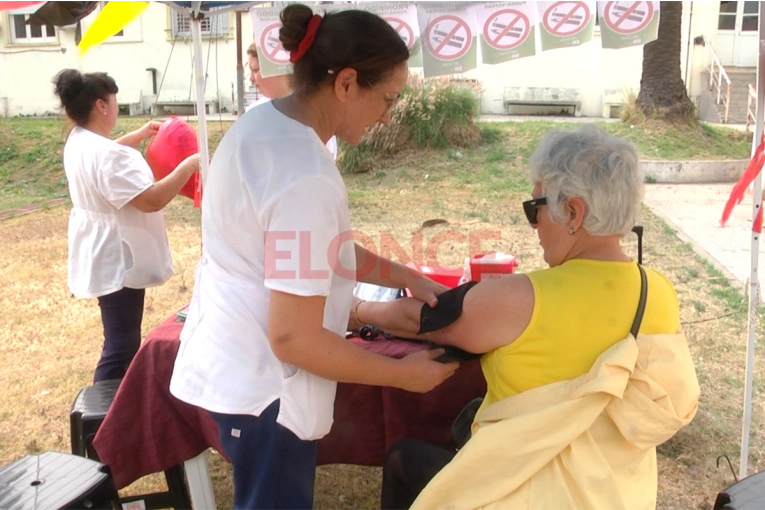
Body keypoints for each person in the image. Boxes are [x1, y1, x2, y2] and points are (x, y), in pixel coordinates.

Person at [169, 5, 458, 509]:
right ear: (346, 83)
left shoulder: (261, 125)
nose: (389, 115)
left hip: (239, 368)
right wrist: (402, 375)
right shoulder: (303, 172)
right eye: (387, 98)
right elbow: (293, 339)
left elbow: (317, 248)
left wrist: (405, 273)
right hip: (268, 391)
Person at [354, 126, 700, 509]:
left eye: (534, 209)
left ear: (573, 211)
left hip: (522, 493)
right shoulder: (659, 291)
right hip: (617, 496)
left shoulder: (521, 298)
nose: (533, 225)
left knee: (405, 459)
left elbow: (415, 319)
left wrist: (357, 311)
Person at [53, 69, 200, 383]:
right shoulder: (107, 155)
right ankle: (105, 418)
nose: (116, 106)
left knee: (119, 337)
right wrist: (189, 165)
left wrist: (141, 133)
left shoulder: (78, 140)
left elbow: (107, 154)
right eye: (114, 100)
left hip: (100, 249)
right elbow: (150, 200)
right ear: (101, 105)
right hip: (119, 256)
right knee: (121, 344)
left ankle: (111, 411)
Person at [246, 40, 338, 159]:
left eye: (255, 70)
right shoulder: (254, 113)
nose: (251, 78)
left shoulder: (314, 112)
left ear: (273, 69)